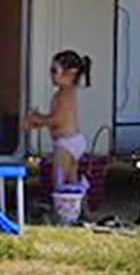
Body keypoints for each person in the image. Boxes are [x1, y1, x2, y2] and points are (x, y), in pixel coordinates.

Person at [24, 49, 92, 190]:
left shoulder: (64, 94)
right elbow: (58, 118)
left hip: (66, 144)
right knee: (71, 180)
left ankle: (64, 209)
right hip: (72, 141)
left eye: (54, 70)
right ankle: (78, 207)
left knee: (59, 183)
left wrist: (37, 119)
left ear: (70, 73)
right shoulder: (65, 92)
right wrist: (39, 121)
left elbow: (57, 120)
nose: (51, 75)